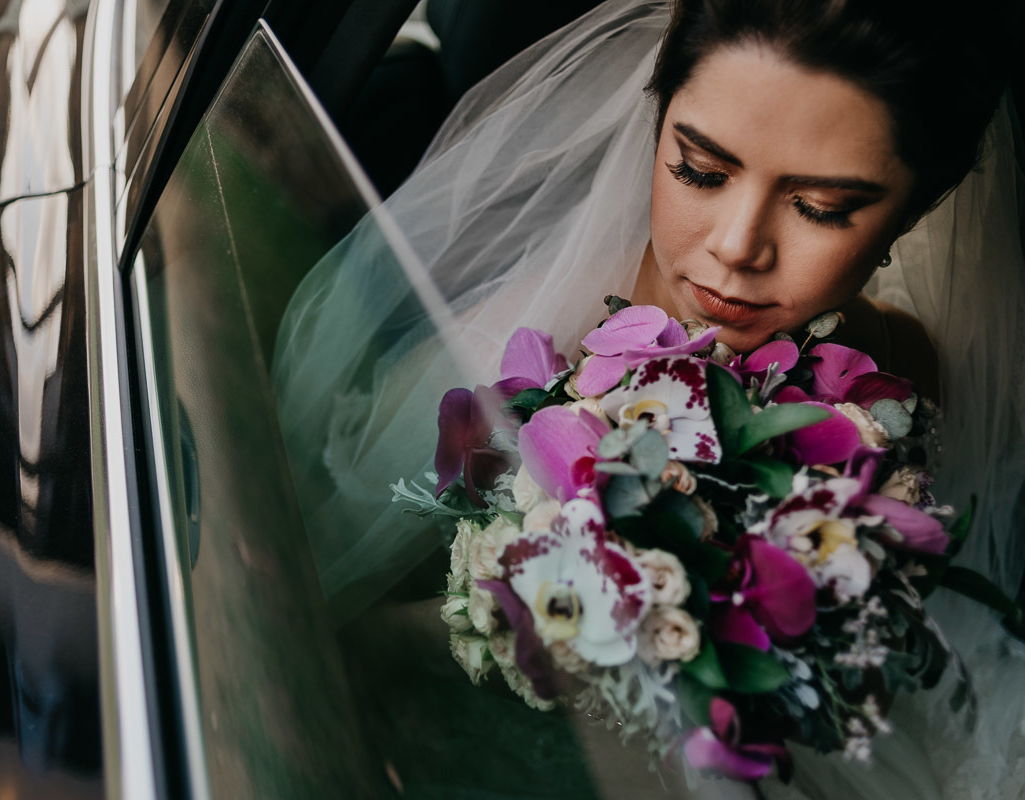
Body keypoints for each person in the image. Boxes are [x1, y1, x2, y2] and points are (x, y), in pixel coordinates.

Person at [272, 0, 1025, 797]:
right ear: (656, 121)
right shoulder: (517, 344)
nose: (737, 248)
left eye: (821, 209)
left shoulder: (901, 377)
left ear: (919, 207)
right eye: (700, 169)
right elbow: (324, 591)